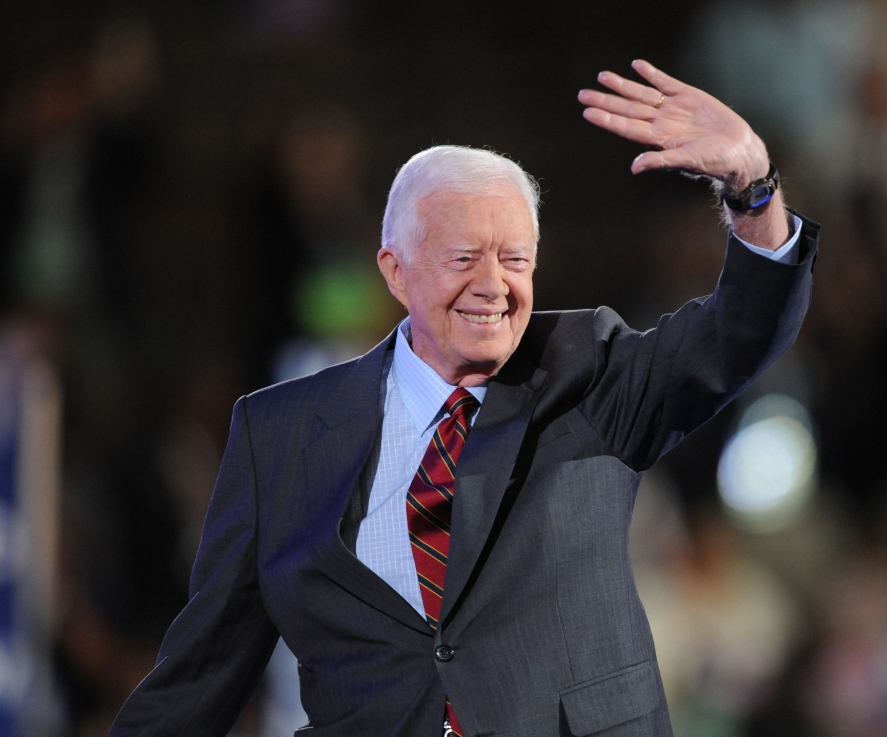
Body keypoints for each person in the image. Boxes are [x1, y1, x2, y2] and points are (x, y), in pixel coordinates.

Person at [109, 60, 818, 737]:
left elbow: (736, 335)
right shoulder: (278, 436)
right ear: (395, 270)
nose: (493, 284)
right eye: (462, 257)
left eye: (514, 258)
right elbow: (198, 677)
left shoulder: (591, 375)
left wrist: (753, 187)